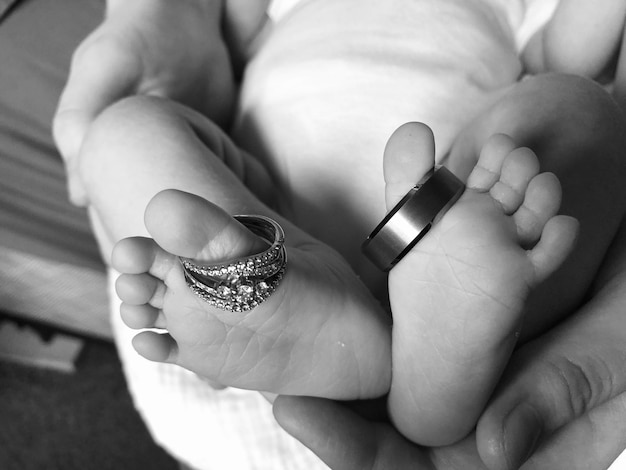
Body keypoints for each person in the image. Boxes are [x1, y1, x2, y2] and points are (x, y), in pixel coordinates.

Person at [47, 0, 626, 468]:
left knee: (578, 107)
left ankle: (441, 371)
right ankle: (258, 295)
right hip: (265, 216)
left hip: (450, 201)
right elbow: (215, 26)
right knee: (123, 127)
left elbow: (570, 53)